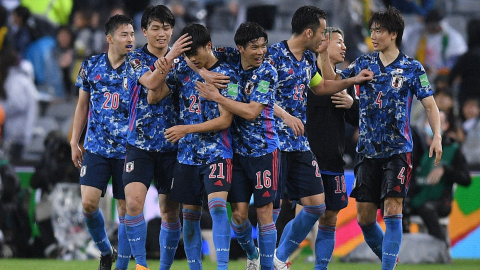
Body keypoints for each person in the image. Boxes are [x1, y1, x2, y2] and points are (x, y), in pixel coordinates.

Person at [265, 6, 372, 270]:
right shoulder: (274, 56)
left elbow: (323, 86)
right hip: (275, 143)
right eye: (325, 34)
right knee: (271, 209)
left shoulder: (309, 65)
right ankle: (266, 260)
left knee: (321, 210)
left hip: (310, 150)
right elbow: (260, 93)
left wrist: (354, 81)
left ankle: (279, 259)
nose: (325, 39)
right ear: (311, 32)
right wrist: (287, 116)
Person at [338, 7, 442, 270]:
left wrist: (437, 136)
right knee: (365, 219)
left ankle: (387, 268)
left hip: (398, 151)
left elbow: (430, 105)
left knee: (393, 209)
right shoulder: (363, 63)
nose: (373, 35)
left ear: (393, 34)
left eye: (379, 30)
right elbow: (337, 82)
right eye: (372, 30)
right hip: (367, 151)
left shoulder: (412, 68)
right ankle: (391, 258)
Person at [153, 23, 239, 270]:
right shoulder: (182, 70)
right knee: (189, 218)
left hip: (217, 152)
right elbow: (153, 95)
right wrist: (163, 67)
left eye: (196, 54)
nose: (192, 59)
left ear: (209, 46)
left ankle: (222, 267)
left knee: (218, 207)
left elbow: (225, 119)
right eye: (188, 55)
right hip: (187, 156)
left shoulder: (227, 75)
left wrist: (185, 129)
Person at [197, 22, 280, 270]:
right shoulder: (229, 57)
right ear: (240, 48)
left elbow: (252, 112)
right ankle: (252, 254)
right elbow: (197, 56)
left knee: (264, 214)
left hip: (264, 152)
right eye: (255, 47)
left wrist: (217, 97)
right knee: (239, 216)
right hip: (237, 154)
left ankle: (266, 267)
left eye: (263, 46)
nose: (261, 52)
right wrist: (203, 73)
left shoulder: (267, 73)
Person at [123, 5, 191, 270]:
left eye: (166, 28)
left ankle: (163, 267)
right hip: (139, 143)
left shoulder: (185, 62)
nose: (162, 34)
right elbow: (151, 84)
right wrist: (172, 55)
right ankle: (141, 265)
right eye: (155, 28)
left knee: (170, 211)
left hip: (173, 146)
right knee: (133, 203)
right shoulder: (134, 59)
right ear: (144, 31)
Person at [70, 14, 135, 270]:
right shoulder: (91, 65)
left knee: (125, 210)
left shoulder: (138, 66)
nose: (130, 39)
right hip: (96, 147)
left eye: (131, 34)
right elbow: (82, 105)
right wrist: (75, 140)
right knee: (88, 204)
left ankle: (122, 266)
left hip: (127, 150)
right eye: (124, 34)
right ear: (109, 38)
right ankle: (106, 251)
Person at [305, 26, 359, 269]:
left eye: (344, 41)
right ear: (322, 45)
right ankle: (276, 259)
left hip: (334, 159)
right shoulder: (306, 74)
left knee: (330, 216)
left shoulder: (343, 81)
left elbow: (358, 121)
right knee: (300, 212)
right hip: (305, 158)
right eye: (338, 41)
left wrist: (351, 104)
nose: (344, 46)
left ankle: (320, 267)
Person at [409, 111, 471, 243]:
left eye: (438, 122)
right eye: (430, 121)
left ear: (446, 126)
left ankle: (440, 246)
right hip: (418, 196)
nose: (432, 125)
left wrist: (446, 170)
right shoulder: (418, 148)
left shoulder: (453, 150)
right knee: (394, 207)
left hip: (441, 200)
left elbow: (466, 179)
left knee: (427, 208)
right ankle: (401, 251)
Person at [402, 9, 467, 76]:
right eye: (430, 26)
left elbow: (455, 61)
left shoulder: (453, 37)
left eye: (435, 26)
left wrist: (438, 70)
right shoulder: (416, 33)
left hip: (442, 75)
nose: (432, 29)